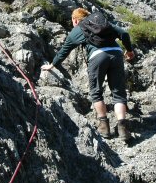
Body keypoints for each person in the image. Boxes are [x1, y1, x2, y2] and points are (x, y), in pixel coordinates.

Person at [41, 8, 135, 140]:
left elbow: (64, 50)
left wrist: (52, 65)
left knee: (96, 91)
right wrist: (129, 51)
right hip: (116, 53)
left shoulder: (78, 29)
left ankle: (104, 127)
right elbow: (124, 34)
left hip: (97, 57)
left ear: (75, 20)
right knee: (118, 92)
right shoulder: (101, 21)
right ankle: (123, 128)